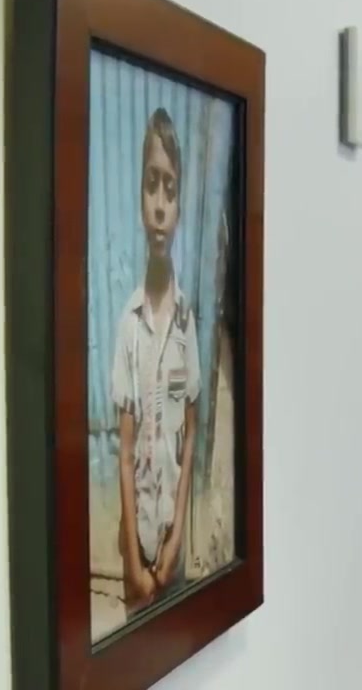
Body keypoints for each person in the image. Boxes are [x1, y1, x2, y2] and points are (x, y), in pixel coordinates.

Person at [110, 107, 201, 613]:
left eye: (171, 188)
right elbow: (124, 454)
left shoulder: (187, 322)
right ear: (140, 198)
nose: (161, 205)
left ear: (180, 204)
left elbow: (190, 440)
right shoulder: (128, 324)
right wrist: (135, 567)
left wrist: (174, 545)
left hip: (173, 552)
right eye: (152, 186)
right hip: (136, 551)